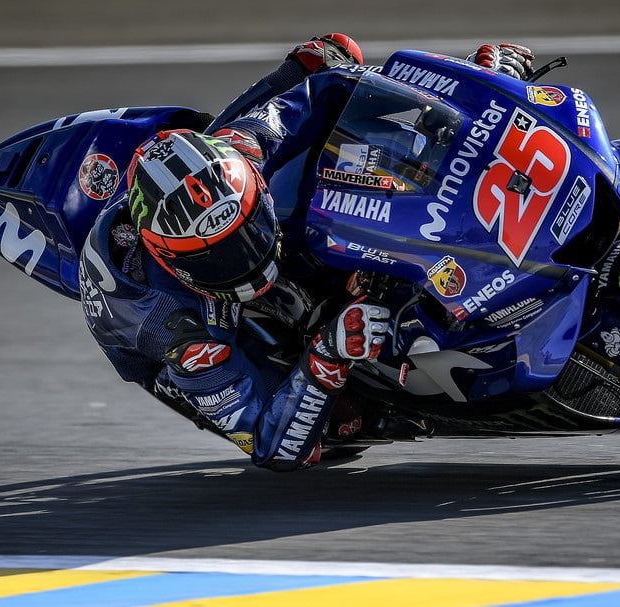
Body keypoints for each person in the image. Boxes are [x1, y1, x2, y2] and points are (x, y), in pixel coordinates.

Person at [78, 34, 535, 471]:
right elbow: (272, 448)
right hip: (185, 321)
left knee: (332, 61)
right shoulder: (177, 329)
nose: (244, 260)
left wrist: (472, 90)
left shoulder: (243, 147)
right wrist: (328, 356)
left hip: (239, 194)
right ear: (169, 257)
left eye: (248, 231)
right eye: (215, 258)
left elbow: (336, 85)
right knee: (339, 424)